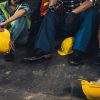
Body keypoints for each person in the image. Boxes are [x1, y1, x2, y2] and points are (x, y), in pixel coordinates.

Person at [24, 0, 99, 65]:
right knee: (50, 16)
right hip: (67, 17)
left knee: (92, 13)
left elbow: (91, 1)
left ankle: (78, 52)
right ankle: (42, 50)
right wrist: (53, 6)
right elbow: (55, 6)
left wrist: (74, 12)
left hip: (82, 16)